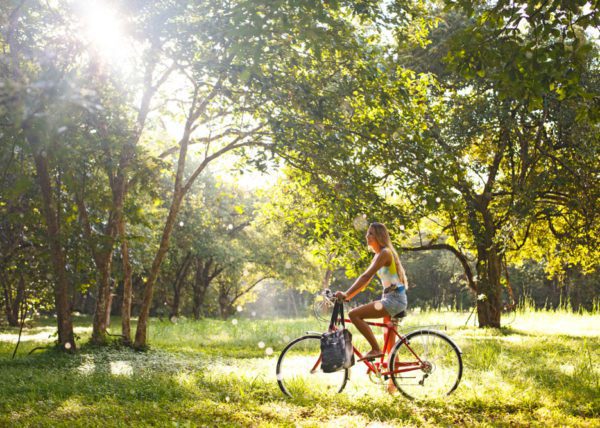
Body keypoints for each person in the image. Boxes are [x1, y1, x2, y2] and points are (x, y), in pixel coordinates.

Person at [335, 222, 408, 361]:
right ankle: (393, 382)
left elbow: (366, 276)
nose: (367, 236)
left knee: (354, 314)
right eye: (367, 232)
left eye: (371, 233)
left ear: (380, 236)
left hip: (393, 300)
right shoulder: (379, 255)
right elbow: (366, 281)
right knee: (391, 347)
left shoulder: (385, 253)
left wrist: (346, 294)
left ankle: (375, 349)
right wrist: (348, 296)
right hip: (393, 298)